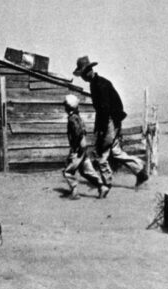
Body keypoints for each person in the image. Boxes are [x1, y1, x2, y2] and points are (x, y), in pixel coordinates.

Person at [72, 56, 148, 195]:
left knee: (101, 153)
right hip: (112, 120)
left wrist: (102, 130)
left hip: (109, 121)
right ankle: (140, 171)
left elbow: (104, 110)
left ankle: (106, 183)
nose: (82, 78)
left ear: (88, 71)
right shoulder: (96, 83)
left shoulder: (100, 85)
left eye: (82, 74)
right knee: (116, 151)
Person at [62, 94, 109, 200]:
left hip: (78, 149)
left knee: (68, 171)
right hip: (82, 149)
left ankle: (74, 192)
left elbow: (80, 134)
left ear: (68, 106)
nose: (64, 107)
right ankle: (102, 187)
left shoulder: (73, 119)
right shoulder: (78, 117)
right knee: (86, 171)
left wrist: (80, 148)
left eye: (65, 105)